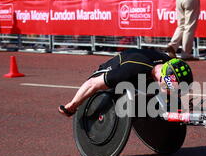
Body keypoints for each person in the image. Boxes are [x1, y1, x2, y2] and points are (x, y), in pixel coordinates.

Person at [58, 49, 193, 117]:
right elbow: (92, 84)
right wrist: (73, 105)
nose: (174, 94)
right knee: (101, 82)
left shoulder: (169, 63)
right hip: (119, 66)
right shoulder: (130, 70)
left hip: (147, 74)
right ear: (163, 79)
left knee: (167, 98)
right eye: (171, 89)